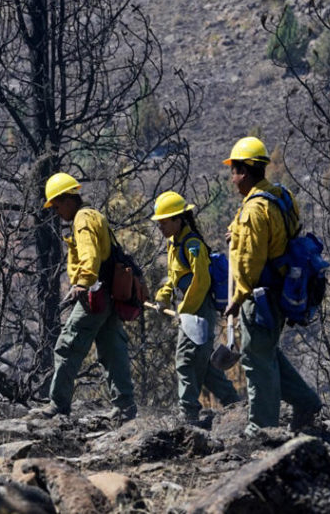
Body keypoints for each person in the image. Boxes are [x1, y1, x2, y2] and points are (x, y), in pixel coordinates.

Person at [221, 137, 322, 436]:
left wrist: (238, 298)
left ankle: (262, 428)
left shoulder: (254, 209)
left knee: (256, 358)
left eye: (234, 170)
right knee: (266, 351)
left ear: (246, 171)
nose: (232, 177)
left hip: (261, 293)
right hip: (282, 288)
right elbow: (273, 233)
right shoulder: (278, 195)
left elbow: (250, 262)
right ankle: (306, 403)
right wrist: (236, 233)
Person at [34, 172, 136, 421]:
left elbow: (89, 256)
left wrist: (82, 282)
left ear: (68, 199)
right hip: (109, 294)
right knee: (113, 349)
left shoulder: (81, 219)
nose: (57, 212)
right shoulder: (93, 214)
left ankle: (58, 405)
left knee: (67, 347)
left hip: (95, 294)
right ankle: (125, 406)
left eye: (57, 205)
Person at [151, 191, 241, 424]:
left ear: (178, 220)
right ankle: (235, 403)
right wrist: (163, 296)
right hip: (191, 309)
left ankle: (188, 411)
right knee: (202, 363)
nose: (160, 226)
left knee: (186, 359)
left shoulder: (193, 245)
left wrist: (186, 310)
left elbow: (201, 281)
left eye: (163, 222)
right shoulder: (175, 244)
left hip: (199, 310)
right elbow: (174, 277)